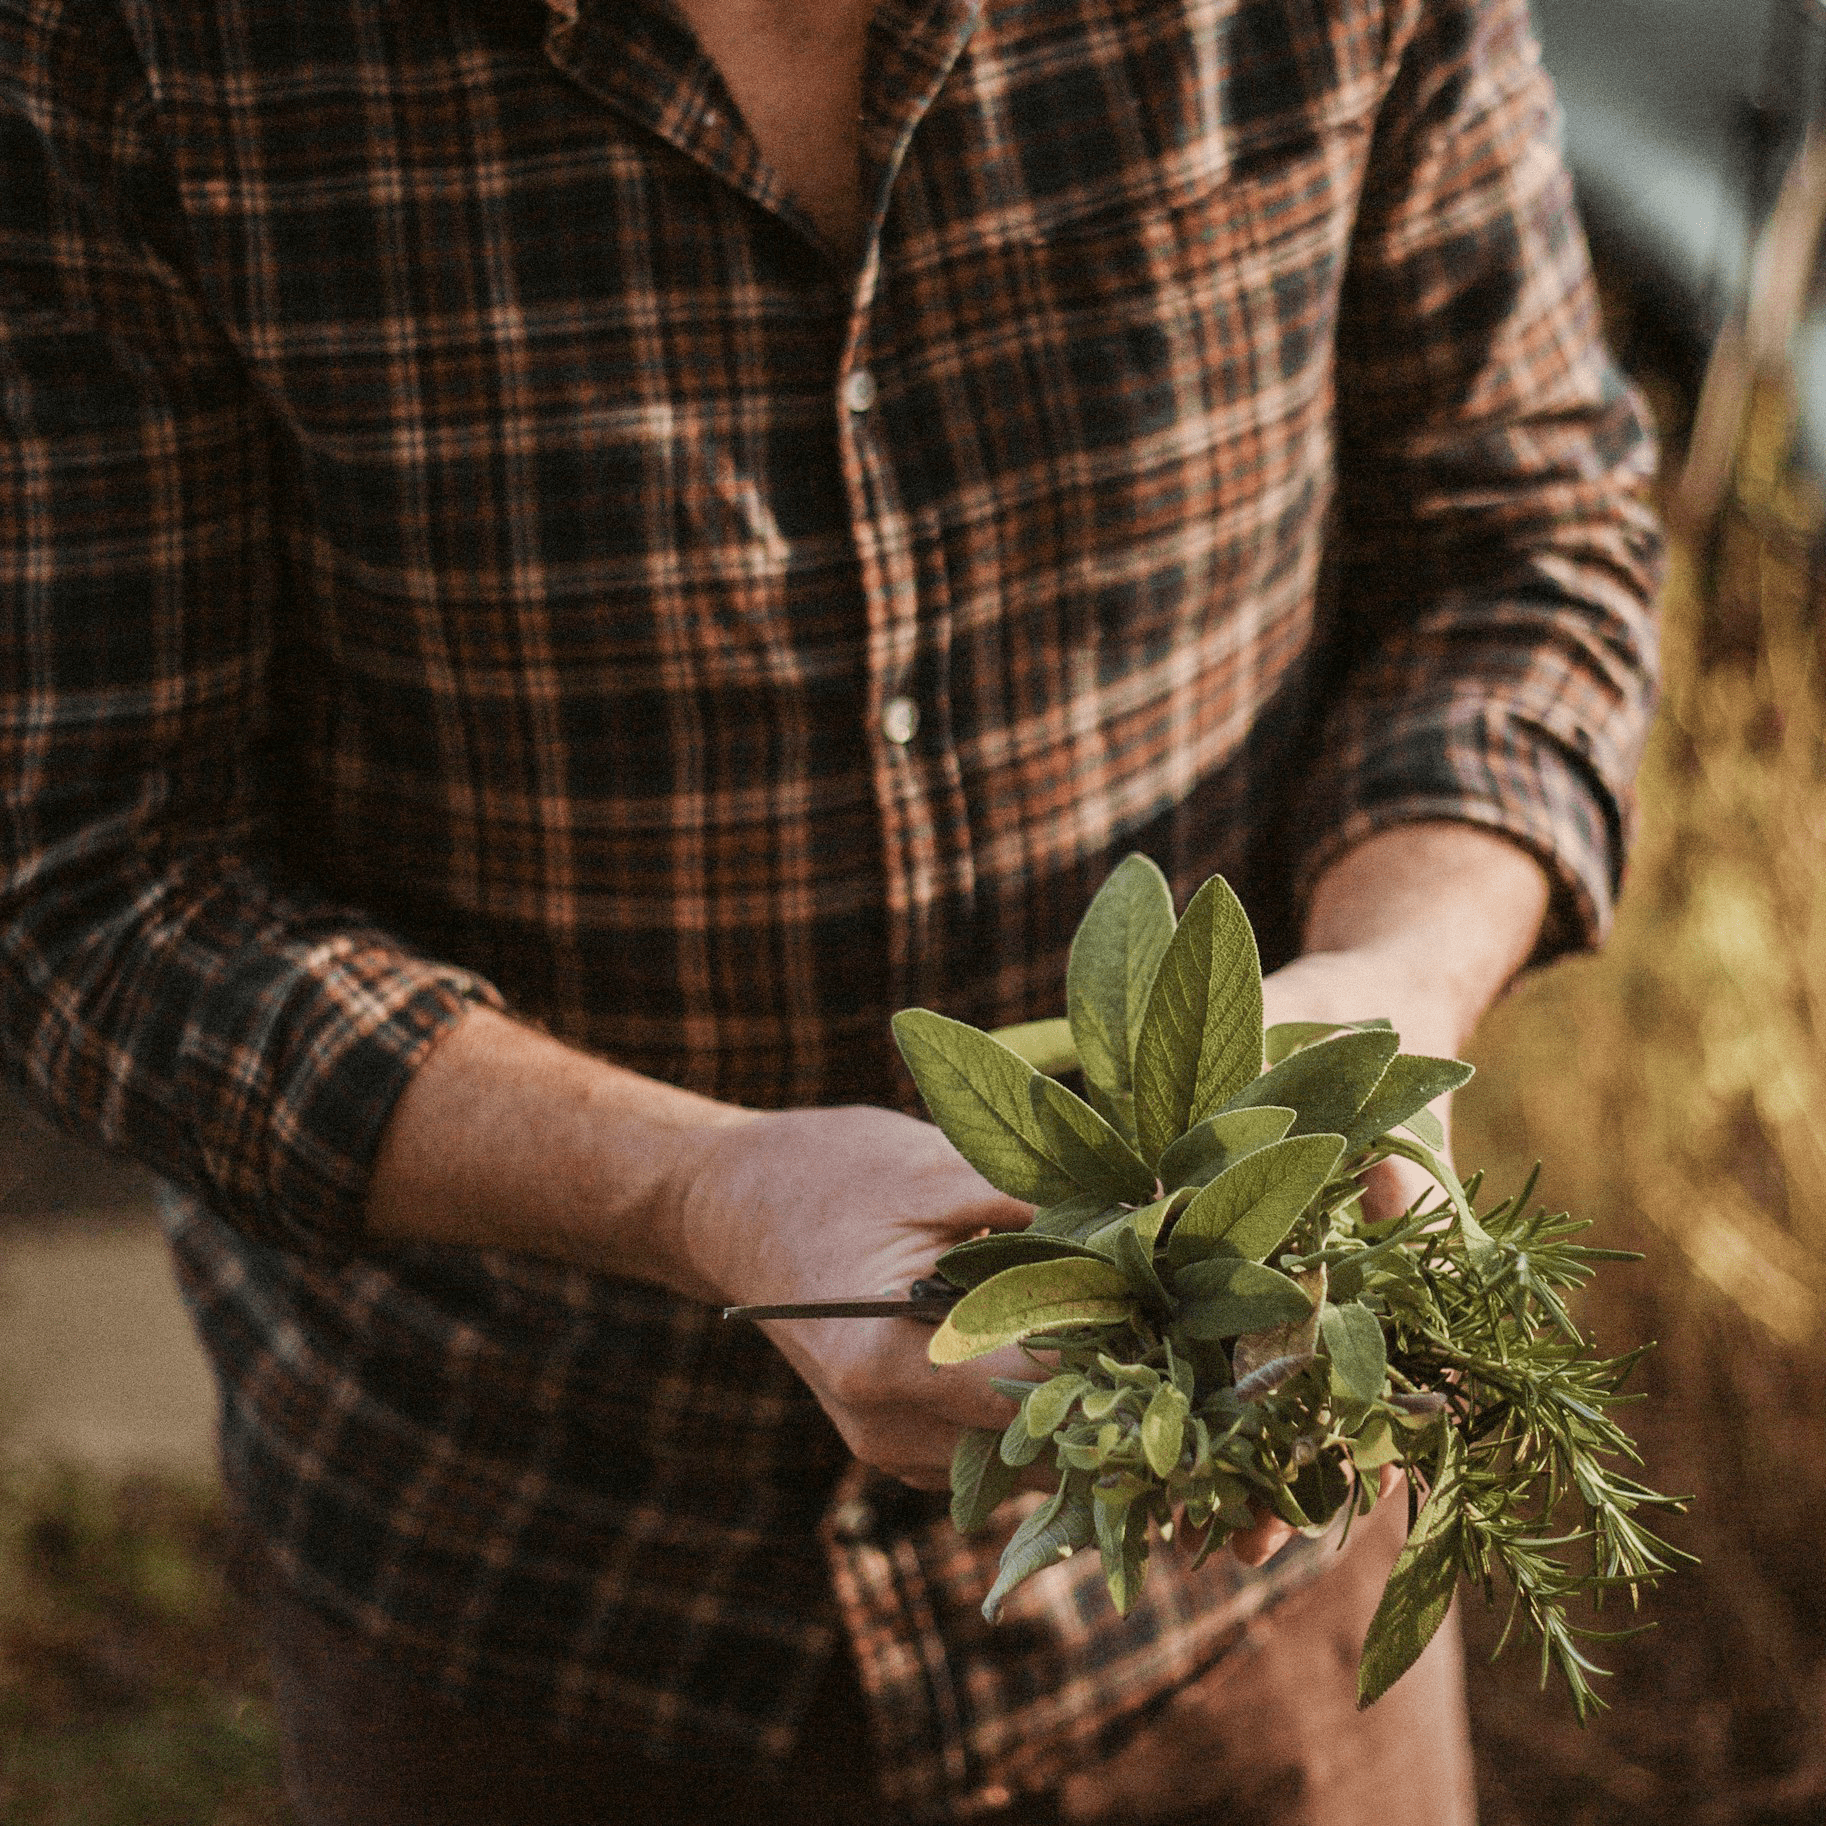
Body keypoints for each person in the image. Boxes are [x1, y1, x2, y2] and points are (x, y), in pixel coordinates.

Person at [0, 0, 1660, 1820]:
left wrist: (1386, 995)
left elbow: (1520, 538)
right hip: (540, 1596)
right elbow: (92, 875)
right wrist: (704, 1193)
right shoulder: (139, 44)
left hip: (1236, 1556)